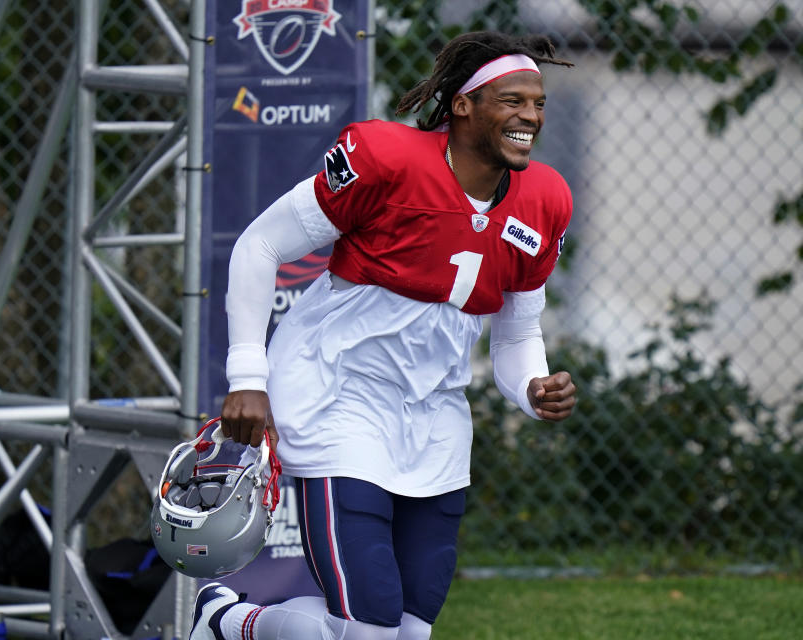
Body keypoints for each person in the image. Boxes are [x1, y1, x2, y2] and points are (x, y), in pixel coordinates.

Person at [190, 31, 577, 640]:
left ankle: (229, 621)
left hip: (435, 413)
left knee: (412, 626)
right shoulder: (385, 159)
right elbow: (259, 245)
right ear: (463, 105)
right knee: (369, 621)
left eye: (538, 102)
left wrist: (532, 387)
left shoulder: (546, 199)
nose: (530, 115)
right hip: (337, 393)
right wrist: (248, 376)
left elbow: (516, 333)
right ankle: (230, 621)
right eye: (511, 100)